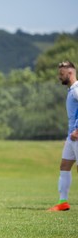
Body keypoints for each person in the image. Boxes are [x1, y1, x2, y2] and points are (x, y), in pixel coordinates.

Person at [48, 61, 77, 211]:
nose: (59, 77)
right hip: (71, 137)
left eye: (61, 74)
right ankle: (63, 202)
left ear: (70, 73)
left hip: (77, 136)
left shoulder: (77, 90)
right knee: (65, 166)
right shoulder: (71, 90)